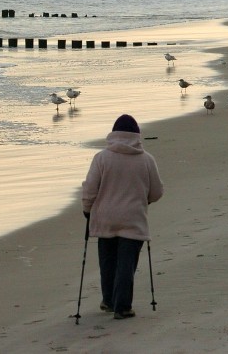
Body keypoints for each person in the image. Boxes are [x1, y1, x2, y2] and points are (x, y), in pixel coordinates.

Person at [82, 114, 164, 320]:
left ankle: (108, 300)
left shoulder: (101, 158)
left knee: (107, 261)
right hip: (133, 218)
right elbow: (156, 192)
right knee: (127, 264)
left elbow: (90, 188)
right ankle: (123, 306)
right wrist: (144, 201)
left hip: (105, 217)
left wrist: (87, 209)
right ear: (137, 135)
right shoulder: (146, 159)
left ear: (113, 134)